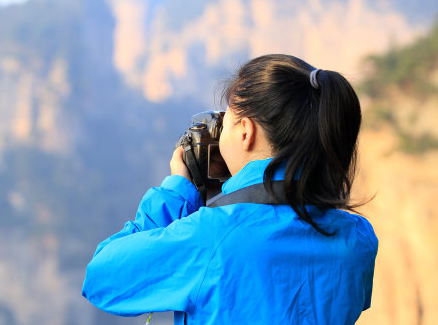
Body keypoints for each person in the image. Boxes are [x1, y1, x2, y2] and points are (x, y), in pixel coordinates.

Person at [82, 54, 378, 324]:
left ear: (246, 132)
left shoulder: (210, 237)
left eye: (224, 124)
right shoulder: (359, 239)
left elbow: (101, 279)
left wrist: (176, 193)